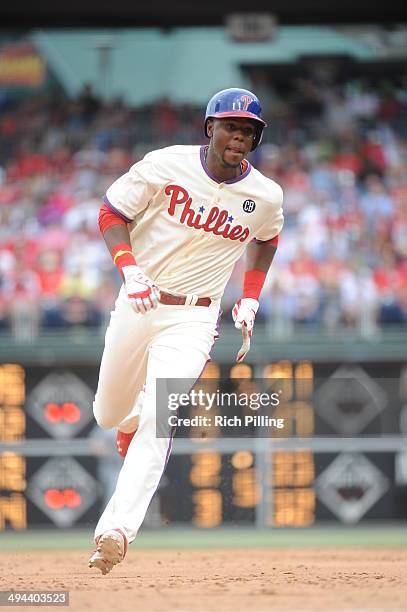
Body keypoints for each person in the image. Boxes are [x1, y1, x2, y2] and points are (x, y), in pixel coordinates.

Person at [88, 88, 284, 574]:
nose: (239, 135)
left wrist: (251, 295)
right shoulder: (165, 164)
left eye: (248, 130)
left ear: (255, 138)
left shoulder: (264, 194)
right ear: (209, 128)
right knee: (107, 412)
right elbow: (112, 212)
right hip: (141, 299)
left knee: (161, 418)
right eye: (230, 126)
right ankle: (126, 418)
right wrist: (128, 268)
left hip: (195, 318)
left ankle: (116, 530)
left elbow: (268, 236)